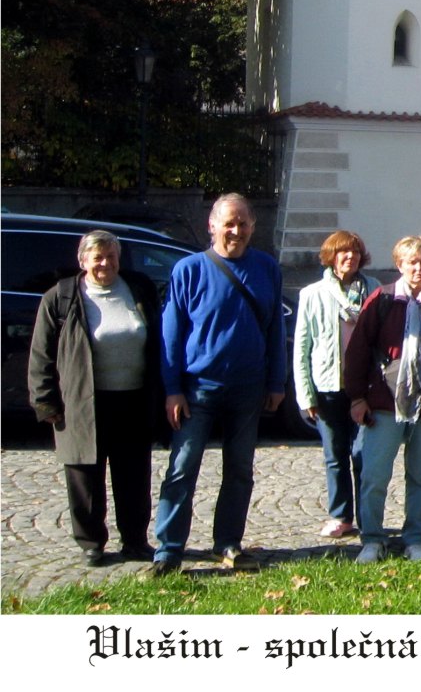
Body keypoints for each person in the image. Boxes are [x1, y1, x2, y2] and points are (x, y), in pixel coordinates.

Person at [149, 193, 287, 576]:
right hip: (197, 389)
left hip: (249, 388)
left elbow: (276, 330)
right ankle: (169, 549)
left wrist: (277, 380)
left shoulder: (266, 269)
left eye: (243, 223)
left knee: (240, 469)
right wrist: (172, 388)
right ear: (212, 226)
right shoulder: (189, 270)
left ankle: (228, 542)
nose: (236, 231)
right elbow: (171, 336)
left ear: (253, 228)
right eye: (229, 223)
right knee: (182, 468)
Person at [28, 229, 163, 565]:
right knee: (85, 478)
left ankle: (135, 540)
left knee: (134, 476)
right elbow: (41, 356)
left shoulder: (139, 289)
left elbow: (159, 340)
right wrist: (45, 401)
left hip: (132, 399)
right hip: (82, 401)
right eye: (98, 257)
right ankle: (91, 543)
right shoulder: (59, 298)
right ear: (83, 261)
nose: (105, 263)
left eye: (112, 256)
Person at [345, 236, 421, 563]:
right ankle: (372, 538)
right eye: (411, 262)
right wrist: (357, 398)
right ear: (400, 265)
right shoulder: (382, 300)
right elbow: (357, 351)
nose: (418, 268)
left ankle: (416, 537)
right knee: (374, 475)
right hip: (385, 403)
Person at [293, 229, 378, 540]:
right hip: (328, 387)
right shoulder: (312, 295)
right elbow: (301, 348)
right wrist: (305, 394)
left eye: (355, 252)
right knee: (336, 454)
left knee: (363, 454)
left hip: (365, 389)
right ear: (331, 256)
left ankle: (369, 516)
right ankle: (341, 516)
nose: (349, 257)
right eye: (343, 252)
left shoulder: (375, 291)